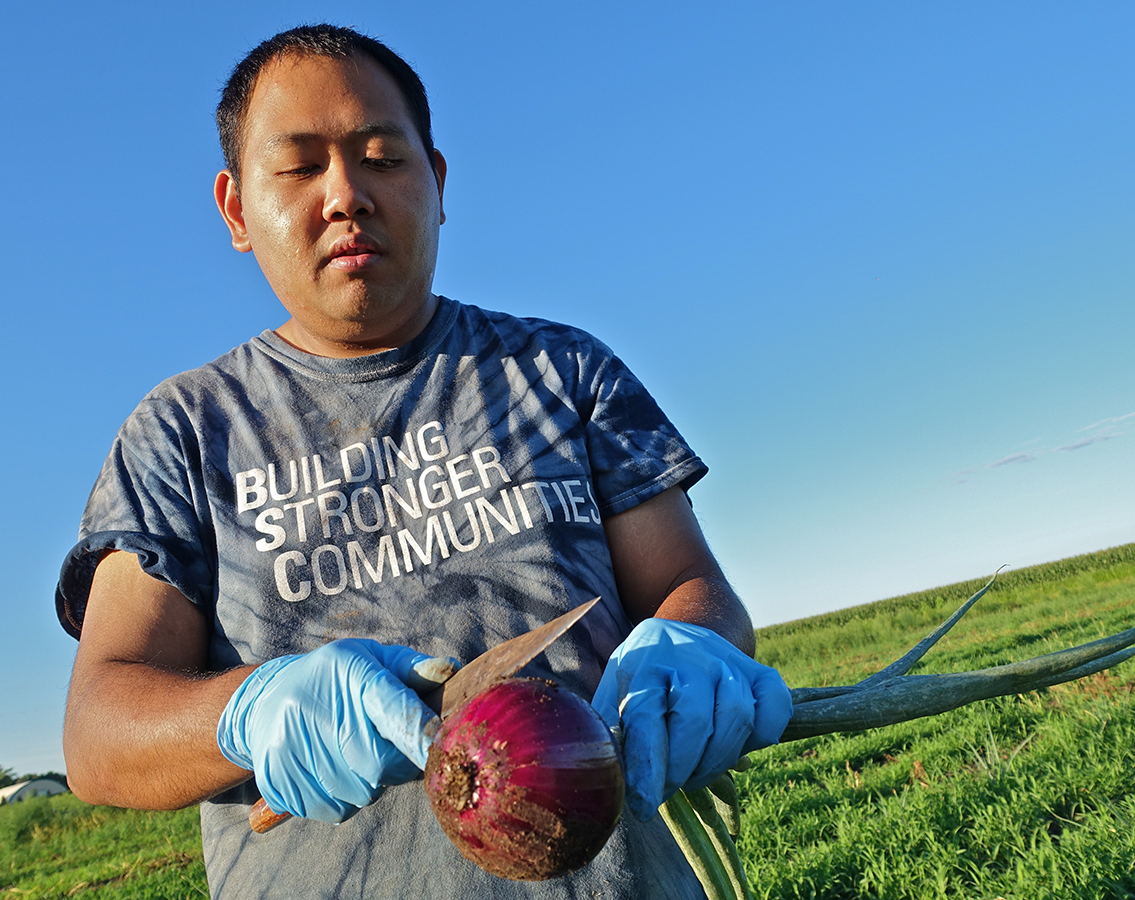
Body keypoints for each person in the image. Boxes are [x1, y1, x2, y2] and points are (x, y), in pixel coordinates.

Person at [56, 24, 792, 900]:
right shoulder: (180, 434)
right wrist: (243, 715)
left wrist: (696, 644)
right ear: (236, 211)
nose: (345, 195)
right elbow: (99, 733)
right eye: (297, 167)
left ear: (437, 184)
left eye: (380, 157)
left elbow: (691, 586)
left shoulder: (563, 371)